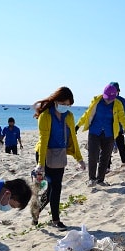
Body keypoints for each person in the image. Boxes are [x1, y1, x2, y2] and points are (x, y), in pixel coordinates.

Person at [32, 87, 86, 230]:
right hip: (44, 154)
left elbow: (72, 138)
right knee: (52, 187)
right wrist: (40, 164)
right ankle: (50, 217)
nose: (66, 107)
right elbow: (43, 141)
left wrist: (79, 159)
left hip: (59, 155)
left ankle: (46, 216)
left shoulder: (69, 116)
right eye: (64, 104)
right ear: (56, 101)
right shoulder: (45, 116)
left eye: (69, 105)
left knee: (55, 188)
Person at [76, 83, 125, 187]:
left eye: (111, 98)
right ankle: (91, 179)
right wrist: (77, 126)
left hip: (109, 134)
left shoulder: (118, 103)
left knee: (105, 157)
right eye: (107, 98)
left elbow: (123, 118)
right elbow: (87, 114)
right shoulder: (96, 100)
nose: (108, 100)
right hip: (94, 132)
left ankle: (100, 180)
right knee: (92, 155)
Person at [111, 82, 125, 168]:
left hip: (112, 127)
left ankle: (108, 166)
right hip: (115, 127)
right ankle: (123, 162)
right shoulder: (122, 100)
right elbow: (124, 115)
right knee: (120, 145)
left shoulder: (120, 100)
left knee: (108, 147)